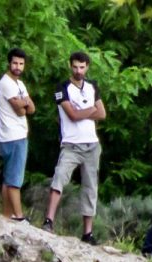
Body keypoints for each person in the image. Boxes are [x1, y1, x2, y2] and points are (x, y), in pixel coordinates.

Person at [43, 51, 105, 242]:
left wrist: (83, 111)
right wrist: (90, 110)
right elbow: (72, 115)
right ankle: (48, 220)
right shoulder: (62, 87)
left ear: (87, 67)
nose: (78, 71)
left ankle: (87, 232)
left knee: (90, 186)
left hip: (91, 143)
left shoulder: (92, 86)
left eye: (82, 67)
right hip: (71, 143)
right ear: (70, 66)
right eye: (75, 67)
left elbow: (102, 113)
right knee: (60, 176)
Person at [0, 48, 33, 221]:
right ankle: (19, 216)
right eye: (15, 63)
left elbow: (31, 108)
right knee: (14, 180)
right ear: (9, 63)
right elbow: (21, 112)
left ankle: (6, 216)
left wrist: (23, 102)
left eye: (21, 64)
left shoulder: (20, 84)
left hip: (15, 135)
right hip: (12, 136)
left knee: (9, 177)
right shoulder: (6, 83)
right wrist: (24, 102)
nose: (18, 66)